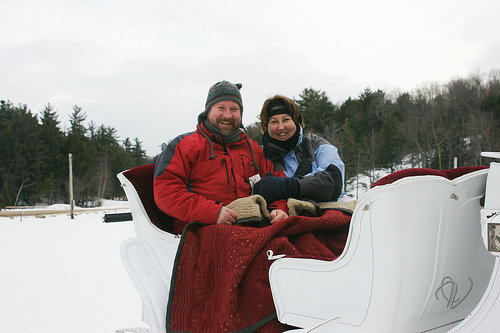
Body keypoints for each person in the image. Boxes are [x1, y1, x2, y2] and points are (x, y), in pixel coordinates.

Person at [154, 81, 288, 234]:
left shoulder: (253, 149)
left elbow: (275, 184)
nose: (228, 115)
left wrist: (278, 209)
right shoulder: (183, 145)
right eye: (221, 108)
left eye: (234, 109)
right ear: (208, 111)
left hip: (254, 227)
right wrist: (212, 213)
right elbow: (167, 192)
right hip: (201, 230)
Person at [253, 95, 345, 203]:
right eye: (274, 121)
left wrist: (288, 187)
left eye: (286, 119)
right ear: (266, 127)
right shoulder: (258, 156)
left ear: (296, 122)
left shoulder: (317, 145)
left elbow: (333, 181)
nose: (281, 127)